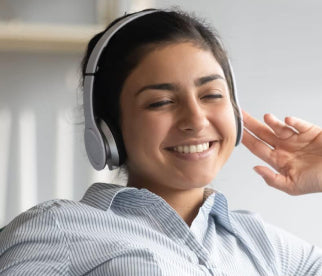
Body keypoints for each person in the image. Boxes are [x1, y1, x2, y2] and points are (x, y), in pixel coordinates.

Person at [0, 8, 322, 276]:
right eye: (160, 102)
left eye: (211, 95)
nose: (196, 120)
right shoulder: (58, 229)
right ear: (108, 127)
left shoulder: (265, 244)